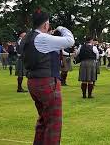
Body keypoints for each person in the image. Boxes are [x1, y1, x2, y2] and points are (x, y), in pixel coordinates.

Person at [23, 9, 74, 145]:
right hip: (47, 81)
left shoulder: (27, 37)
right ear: (46, 25)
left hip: (33, 81)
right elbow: (70, 41)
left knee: (43, 120)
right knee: (53, 123)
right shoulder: (42, 38)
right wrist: (61, 28)